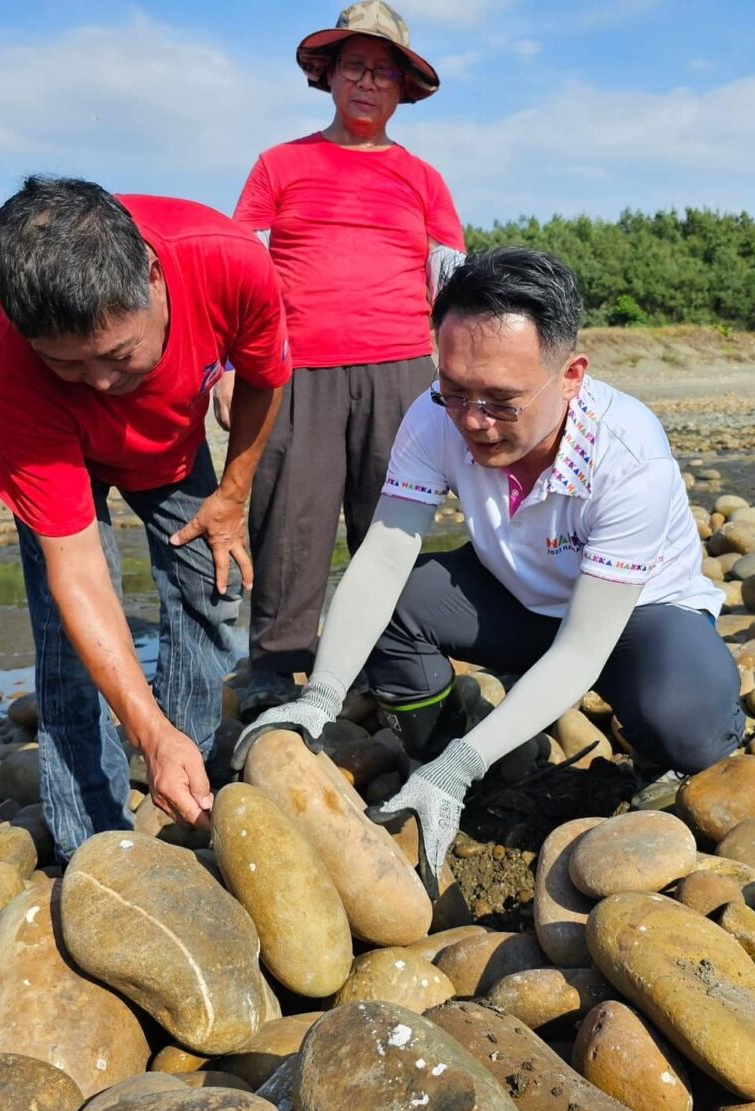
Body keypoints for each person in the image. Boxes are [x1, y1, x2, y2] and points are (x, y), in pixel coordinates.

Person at [233, 248, 744, 895]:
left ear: (571, 376)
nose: (473, 421)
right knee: (395, 605)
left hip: (634, 615)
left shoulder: (628, 456)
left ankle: (474, 765)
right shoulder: (434, 414)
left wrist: (461, 768)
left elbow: (585, 645)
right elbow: (386, 552)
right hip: (514, 594)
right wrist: (322, 698)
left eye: (502, 401)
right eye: (456, 390)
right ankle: (446, 752)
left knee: (688, 727)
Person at [0, 176, 289, 858]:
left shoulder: (231, 261)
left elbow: (265, 376)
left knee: (210, 584)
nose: (100, 384)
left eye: (118, 354)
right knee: (68, 640)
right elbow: (78, 573)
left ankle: (183, 773)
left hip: (168, 427)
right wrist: (145, 731)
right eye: (68, 363)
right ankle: (94, 845)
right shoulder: (10, 362)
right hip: (30, 424)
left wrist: (232, 496)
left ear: (154, 280)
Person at [226, 0, 465, 718]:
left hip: (401, 370)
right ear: (328, 75)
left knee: (390, 520)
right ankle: (277, 659)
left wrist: (461, 373)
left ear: (402, 89)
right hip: (296, 372)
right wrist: (229, 364)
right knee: (288, 518)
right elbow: (241, 264)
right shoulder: (281, 164)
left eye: (383, 71)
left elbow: (451, 279)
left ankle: (387, 651)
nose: (368, 82)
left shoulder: (423, 179)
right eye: (355, 67)